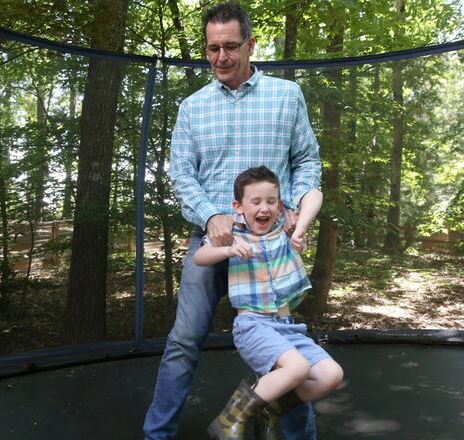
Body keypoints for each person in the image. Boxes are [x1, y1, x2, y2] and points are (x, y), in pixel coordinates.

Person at [142, 2, 322, 439]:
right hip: (212, 243)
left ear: (250, 45)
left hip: (269, 247)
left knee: (282, 349)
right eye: (212, 48)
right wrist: (211, 215)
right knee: (183, 343)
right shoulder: (193, 107)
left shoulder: (286, 95)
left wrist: (296, 203)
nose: (220, 57)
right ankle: (157, 435)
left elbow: (307, 161)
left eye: (230, 46)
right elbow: (181, 174)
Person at [194, 166, 343, 439]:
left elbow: (315, 195)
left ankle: (270, 408)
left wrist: (301, 230)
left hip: (287, 326)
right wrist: (227, 249)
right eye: (256, 202)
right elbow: (199, 257)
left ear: (280, 205)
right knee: (297, 368)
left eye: (271, 201)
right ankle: (230, 418)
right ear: (239, 206)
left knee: (330, 375)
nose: (264, 208)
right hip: (253, 325)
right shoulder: (233, 231)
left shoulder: (284, 230)